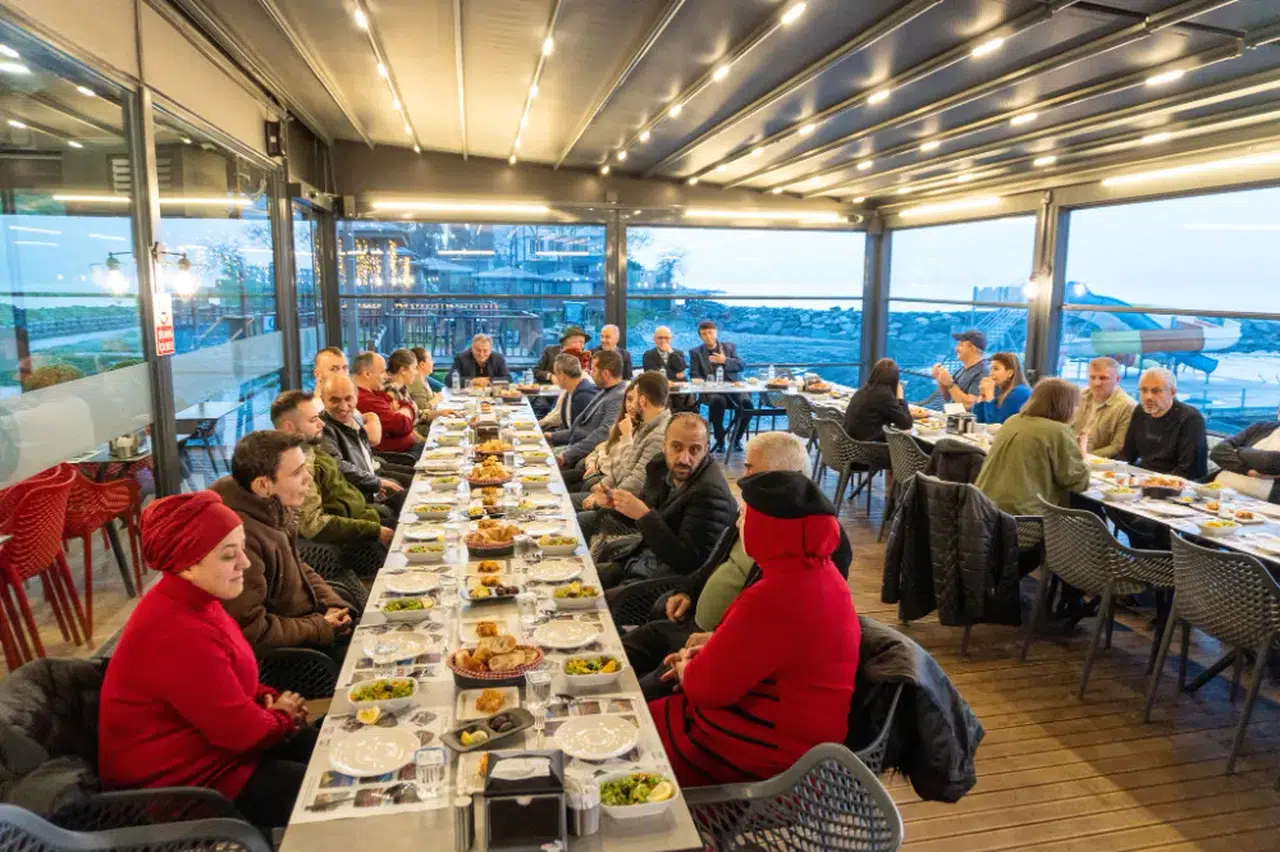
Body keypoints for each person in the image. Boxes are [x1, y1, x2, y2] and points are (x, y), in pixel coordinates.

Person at [98, 491, 315, 833]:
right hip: (187, 790)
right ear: (186, 563)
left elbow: (225, 681)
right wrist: (282, 716)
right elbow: (241, 733)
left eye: (241, 548)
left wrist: (266, 699)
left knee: (321, 747)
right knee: (322, 795)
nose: (244, 562)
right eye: (229, 555)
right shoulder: (175, 632)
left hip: (218, 752)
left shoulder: (200, 600)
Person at [650, 470, 860, 787]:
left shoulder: (776, 593)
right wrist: (708, 653)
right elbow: (773, 652)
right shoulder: (820, 572)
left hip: (766, 760)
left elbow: (706, 689)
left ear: (769, 527)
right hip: (805, 743)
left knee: (635, 746)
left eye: (745, 515)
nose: (737, 524)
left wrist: (687, 668)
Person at [623, 432, 852, 701]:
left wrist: (711, 648)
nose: (743, 477)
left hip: (728, 659)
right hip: (707, 637)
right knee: (629, 648)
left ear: (784, 478)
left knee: (642, 694)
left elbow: (776, 640)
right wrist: (688, 591)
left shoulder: (808, 551)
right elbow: (713, 563)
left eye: (751, 468)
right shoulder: (760, 519)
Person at [210, 431, 356, 659]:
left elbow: (298, 566)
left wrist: (333, 604)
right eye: (298, 473)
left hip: (310, 626)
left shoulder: (272, 508)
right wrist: (320, 627)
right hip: (294, 658)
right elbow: (251, 630)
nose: (308, 478)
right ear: (263, 485)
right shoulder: (239, 541)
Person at [586, 413, 738, 588]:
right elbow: (643, 514)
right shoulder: (659, 466)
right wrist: (616, 504)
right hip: (642, 561)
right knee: (582, 579)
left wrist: (644, 515)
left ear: (706, 449)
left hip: (666, 584)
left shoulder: (710, 492)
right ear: (664, 445)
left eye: (694, 449)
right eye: (677, 447)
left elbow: (688, 562)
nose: (684, 459)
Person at [273, 390, 393, 551]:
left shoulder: (311, 448)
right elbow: (313, 525)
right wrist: (373, 530)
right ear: (289, 428)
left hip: (365, 520)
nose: (322, 424)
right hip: (349, 544)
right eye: (313, 420)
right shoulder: (298, 468)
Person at [975, 378, 1092, 516]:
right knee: (1088, 515)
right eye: (1076, 405)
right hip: (1023, 518)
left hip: (983, 509)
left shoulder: (1013, 420)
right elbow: (1077, 482)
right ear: (1067, 406)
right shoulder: (1058, 430)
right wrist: (1083, 451)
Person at [318, 373, 410, 510]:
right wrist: (376, 482)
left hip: (371, 489)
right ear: (323, 400)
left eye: (348, 399)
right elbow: (336, 465)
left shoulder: (354, 418)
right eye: (334, 400)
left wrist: (376, 483)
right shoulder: (323, 428)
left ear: (357, 397)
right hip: (357, 503)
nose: (343, 407)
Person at [582, 371, 671, 507]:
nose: (630, 404)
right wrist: (602, 487)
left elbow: (636, 483)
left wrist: (600, 500)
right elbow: (625, 467)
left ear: (642, 400)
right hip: (620, 498)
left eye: (633, 398)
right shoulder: (645, 425)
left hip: (631, 510)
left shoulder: (658, 435)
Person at [1116, 367, 1208, 480]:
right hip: (1143, 475)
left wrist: (1153, 483)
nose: (1148, 397)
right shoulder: (1140, 411)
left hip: (1177, 483)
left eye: (1156, 391)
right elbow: (1127, 454)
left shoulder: (1190, 418)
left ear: (1173, 392)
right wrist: (1114, 473)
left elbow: (1189, 469)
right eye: (1144, 390)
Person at [548, 348, 627, 468]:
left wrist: (567, 454)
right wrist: (552, 436)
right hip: (575, 448)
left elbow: (603, 435)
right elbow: (579, 429)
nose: (590, 372)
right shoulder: (605, 391)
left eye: (593, 370)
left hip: (585, 455)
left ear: (605, 374)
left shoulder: (618, 397)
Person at [688, 320, 751, 453]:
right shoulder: (696, 352)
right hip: (712, 391)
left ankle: (736, 439)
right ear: (700, 336)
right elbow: (694, 373)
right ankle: (720, 440)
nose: (708, 336)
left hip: (734, 388)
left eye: (710, 332)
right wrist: (697, 380)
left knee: (748, 405)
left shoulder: (729, 347)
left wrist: (725, 360)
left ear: (715, 332)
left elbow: (741, 365)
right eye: (704, 334)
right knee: (717, 402)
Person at [570, 383, 638, 501]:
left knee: (571, 490)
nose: (631, 406)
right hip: (596, 469)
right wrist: (592, 463)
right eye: (629, 399)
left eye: (636, 401)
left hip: (605, 478)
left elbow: (623, 466)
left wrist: (597, 468)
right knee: (561, 478)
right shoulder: (621, 424)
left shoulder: (636, 431)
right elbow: (600, 449)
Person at [353, 351, 425, 457]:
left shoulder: (375, 393)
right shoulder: (365, 399)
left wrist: (404, 410)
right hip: (399, 456)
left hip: (408, 449)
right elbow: (402, 425)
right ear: (367, 374)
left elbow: (405, 405)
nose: (386, 376)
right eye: (382, 372)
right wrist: (404, 412)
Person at [314, 347, 381, 447]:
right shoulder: (316, 409)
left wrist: (372, 417)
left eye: (345, 368)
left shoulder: (344, 397)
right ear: (318, 374)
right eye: (334, 369)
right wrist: (372, 418)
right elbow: (372, 438)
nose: (342, 374)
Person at [1210, 406, 1280, 502]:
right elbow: (1217, 451)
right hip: (1214, 490)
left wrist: (1238, 451)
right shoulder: (1260, 428)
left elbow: (1269, 461)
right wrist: (1248, 471)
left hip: (1261, 504)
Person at [1073, 357, 1136, 459]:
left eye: (1103, 378)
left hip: (1099, 463)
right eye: (1092, 377)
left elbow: (1117, 447)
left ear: (1117, 379)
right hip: (1070, 457)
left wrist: (1083, 456)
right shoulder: (1079, 396)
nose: (1096, 383)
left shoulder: (1127, 406)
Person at [841, 357, 913, 441]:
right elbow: (906, 424)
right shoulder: (884, 395)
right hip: (866, 448)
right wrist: (900, 397)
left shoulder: (865, 389)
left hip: (847, 445)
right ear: (894, 378)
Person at [538, 353, 598, 432]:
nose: (555, 378)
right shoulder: (568, 390)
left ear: (563, 376)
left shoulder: (584, 395)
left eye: (556, 374)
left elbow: (581, 434)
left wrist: (553, 437)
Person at [930, 330, 989, 410]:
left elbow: (969, 405)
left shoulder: (983, 372)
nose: (956, 348)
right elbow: (949, 397)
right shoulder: (962, 369)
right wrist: (941, 380)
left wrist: (950, 384)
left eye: (961, 345)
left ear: (972, 349)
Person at [643, 326, 694, 411]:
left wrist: (670, 352)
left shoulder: (678, 353)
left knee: (690, 397)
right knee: (666, 401)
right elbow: (651, 374)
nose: (663, 341)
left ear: (671, 339)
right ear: (654, 339)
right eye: (660, 338)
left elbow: (681, 367)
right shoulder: (648, 355)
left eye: (666, 338)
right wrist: (674, 375)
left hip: (678, 388)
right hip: (659, 388)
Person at [973, 352, 1032, 425]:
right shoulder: (999, 391)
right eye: (991, 369)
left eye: (996, 369)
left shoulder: (1020, 392)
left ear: (1010, 373)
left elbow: (996, 425)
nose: (991, 373)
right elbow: (979, 421)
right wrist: (982, 396)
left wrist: (989, 395)